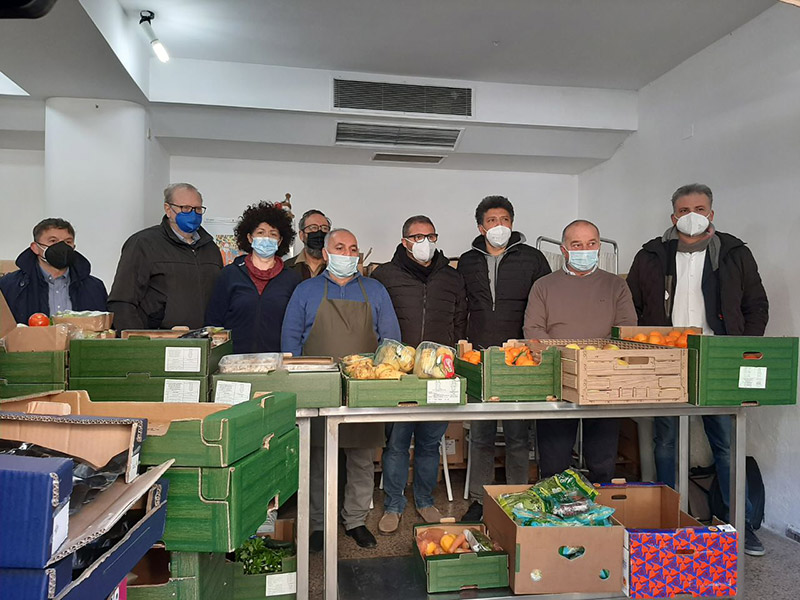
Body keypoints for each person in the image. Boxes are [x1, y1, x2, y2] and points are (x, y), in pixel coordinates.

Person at [626, 183, 768, 556]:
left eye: (700, 209)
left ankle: (739, 524)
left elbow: (756, 304)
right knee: (666, 441)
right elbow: (632, 307)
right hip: (666, 358)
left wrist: (741, 350)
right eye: (685, 210)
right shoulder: (651, 255)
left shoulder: (734, 253)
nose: (693, 215)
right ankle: (670, 520)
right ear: (673, 216)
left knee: (727, 443)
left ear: (711, 213)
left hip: (718, 357)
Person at [282, 228, 401, 551]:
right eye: (339, 248)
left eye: (352, 248)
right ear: (325, 254)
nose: (347, 254)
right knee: (318, 458)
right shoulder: (305, 291)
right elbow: (290, 342)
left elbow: (391, 342)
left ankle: (356, 520)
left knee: (362, 458)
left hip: (364, 387)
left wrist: (381, 379)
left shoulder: (375, 291)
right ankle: (318, 524)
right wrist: (297, 383)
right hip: (317, 386)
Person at [457, 196, 551, 521]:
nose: (499, 226)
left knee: (517, 435)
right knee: (480, 434)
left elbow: (544, 304)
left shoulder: (533, 258)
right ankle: (479, 498)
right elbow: (461, 306)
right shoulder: (467, 261)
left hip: (519, 357)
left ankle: (518, 498)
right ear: (481, 227)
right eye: (492, 220)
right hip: (480, 357)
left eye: (505, 219)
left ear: (512, 222)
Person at [371, 216, 467, 534]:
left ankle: (425, 501)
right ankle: (393, 505)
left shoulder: (451, 277)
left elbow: (460, 320)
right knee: (397, 443)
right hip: (399, 376)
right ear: (404, 241)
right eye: (417, 237)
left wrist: (451, 357)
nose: (424, 242)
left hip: (439, 375)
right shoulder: (385, 275)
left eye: (430, 236)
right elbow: (375, 320)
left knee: (429, 443)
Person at [524, 220, 637, 485]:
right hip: (557, 379)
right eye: (577, 245)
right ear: (564, 250)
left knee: (602, 461)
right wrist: (566, 360)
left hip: (604, 380)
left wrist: (598, 360)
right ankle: (555, 504)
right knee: (554, 462)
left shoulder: (616, 285)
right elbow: (533, 329)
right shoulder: (543, 286)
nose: (585, 250)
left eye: (591, 243)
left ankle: (599, 506)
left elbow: (627, 329)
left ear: (599, 247)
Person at [107, 183, 223, 331]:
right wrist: (138, 341)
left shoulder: (210, 248)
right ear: (168, 209)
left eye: (198, 209)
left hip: (202, 339)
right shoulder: (143, 244)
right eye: (185, 208)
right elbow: (122, 301)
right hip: (159, 339)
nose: (193, 214)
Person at [205, 201, 301, 353]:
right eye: (260, 233)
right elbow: (214, 322)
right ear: (250, 238)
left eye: (273, 234)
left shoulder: (292, 279)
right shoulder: (229, 274)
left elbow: (296, 326)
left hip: (277, 360)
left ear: (280, 241)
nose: (266, 238)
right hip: (233, 359)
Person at [0, 218, 107, 323]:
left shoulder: (94, 287)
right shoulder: (10, 286)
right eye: (53, 241)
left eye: (68, 242)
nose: (61, 247)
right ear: (35, 247)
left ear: (73, 247)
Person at [284, 209, 330, 280]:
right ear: (301, 235)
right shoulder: (286, 268)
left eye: (325, 228)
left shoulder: (338, 268)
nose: (319, 233)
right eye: (313, 228)